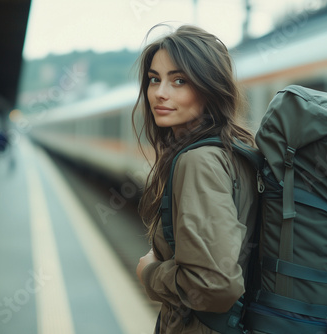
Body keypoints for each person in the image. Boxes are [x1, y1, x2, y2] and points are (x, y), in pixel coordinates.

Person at [133, 24, 259, 333]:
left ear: (209, 86)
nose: (160, 93)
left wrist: (150, 273)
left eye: (179, 81)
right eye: (154, 79)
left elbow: (215, 285)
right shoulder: (237, 148)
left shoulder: (199, 161)